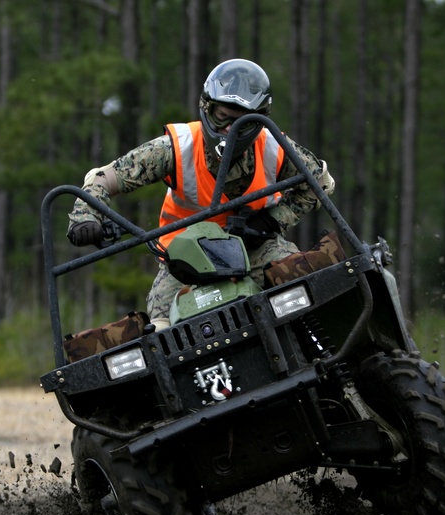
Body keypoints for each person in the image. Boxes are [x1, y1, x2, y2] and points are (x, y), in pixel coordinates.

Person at [67, 58, 335, 330]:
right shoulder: (177, 146)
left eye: (242, 122)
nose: (229, 130)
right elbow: (103, 178)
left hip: (254, 247)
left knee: (305, 284)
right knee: (161, 330)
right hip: (182, 258)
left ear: (260, 119)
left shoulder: (274, 146)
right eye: (223, 117)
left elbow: (320, 184)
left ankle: (330, 358)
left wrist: (272, 220)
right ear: (207, 108)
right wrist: (85, 215)